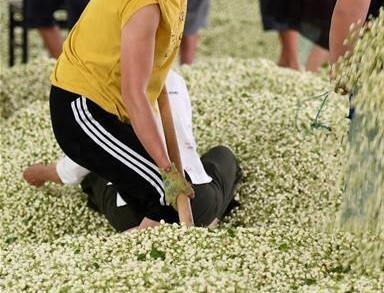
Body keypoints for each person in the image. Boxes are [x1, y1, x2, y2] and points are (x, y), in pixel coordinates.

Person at [48, 0, 220, 230]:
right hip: (85, 109)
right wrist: (167, 169)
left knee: (167, 195)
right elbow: (134, 94)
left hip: (117, 109)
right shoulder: (144, 3)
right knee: (167, 197)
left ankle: (104, 179)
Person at [24, 70, 242, 231]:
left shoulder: (105, 86)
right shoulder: (173, 78)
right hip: (199, 201)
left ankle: (147, 230)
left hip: (134, 212)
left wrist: (42, 173)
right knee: (221, 155)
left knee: (96, 170)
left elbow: (80, 161)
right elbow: (183, 137)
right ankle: (208, 220)